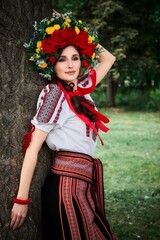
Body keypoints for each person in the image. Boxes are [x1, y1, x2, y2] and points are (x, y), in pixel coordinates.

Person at [10, 10, 118, 240]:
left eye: (75, 57)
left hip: (82, 183)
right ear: (52, 64)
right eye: (62, 59)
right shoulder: (54, 95)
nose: (70, 65)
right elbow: (33, 147)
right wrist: (21, 200)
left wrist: (74, 27)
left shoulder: (81, 86)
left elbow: (109, 58)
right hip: (65, 187)